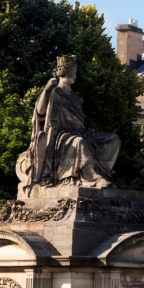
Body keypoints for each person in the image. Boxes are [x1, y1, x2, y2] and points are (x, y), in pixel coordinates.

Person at [18, 55, 120, 195]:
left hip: (79, 132)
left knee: (113, 139)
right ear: (63, 73)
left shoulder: (74, 96)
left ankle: (102, 174)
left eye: (75, 73)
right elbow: (40, 112)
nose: (74, 76)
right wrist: (47, 89)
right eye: (72, 73)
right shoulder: (54, 92)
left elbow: (78, 122)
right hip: (61, 136)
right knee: (79, 142)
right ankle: (93, 178)